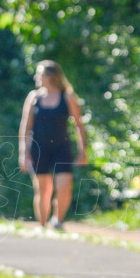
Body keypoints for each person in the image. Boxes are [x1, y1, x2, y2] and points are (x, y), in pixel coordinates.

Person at [18, 60, 88, 229]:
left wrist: (82, 150)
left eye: (40, 74)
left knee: (64, 187)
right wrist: (24, 152)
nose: (37, 77)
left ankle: (58, 220)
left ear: (50, 76)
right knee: (43, 189)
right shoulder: (33, 98)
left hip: (61, 148)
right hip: (39, 149)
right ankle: (42, 226)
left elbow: (78, 125)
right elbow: (26, 127)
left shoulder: (67, 97)